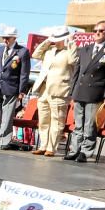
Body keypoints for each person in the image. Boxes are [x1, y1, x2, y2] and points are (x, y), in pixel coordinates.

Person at [66, 20, 105, 163]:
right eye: (95, 30)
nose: (97, 33)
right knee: (78, 123)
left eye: (101, 30)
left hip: (96, 91)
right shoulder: (84, 49)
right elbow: (77, 72)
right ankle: (74, 150)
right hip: (80, 90)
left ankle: (85, 152)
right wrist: (72, 92)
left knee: (90, 125)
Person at [31, 27, 78, 157]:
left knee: (57, 120)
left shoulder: (70, 51)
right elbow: (35, 54)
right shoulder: (49, 51)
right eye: (55, 39)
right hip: (43, 89)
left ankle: (51, 148)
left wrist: (71, 42)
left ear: (64, 39)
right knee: (43, 119)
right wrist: (47, 41)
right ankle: (43, 145)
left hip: (59, 89)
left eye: (58, 39)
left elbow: (73, 61)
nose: (56, 42)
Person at [0, 26, 31, 150]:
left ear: (14, 38)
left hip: (11, 87)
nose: (5, 40)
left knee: (6, 117)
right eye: (3, 37)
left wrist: (22, 91)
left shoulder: (22, 52)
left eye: (7, 38)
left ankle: (4, 141)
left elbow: (24, 74)